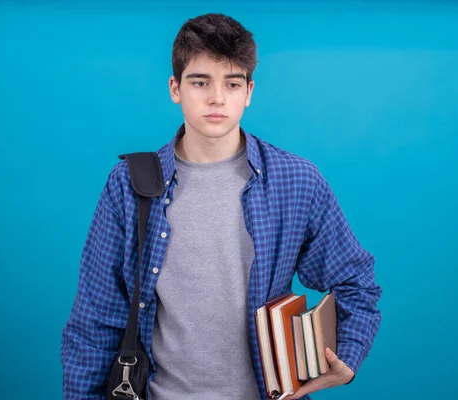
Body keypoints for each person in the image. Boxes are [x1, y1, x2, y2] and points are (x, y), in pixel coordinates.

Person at [61, 12, 382, 400]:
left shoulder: (296, 181)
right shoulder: (129, 185)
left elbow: (357, 283)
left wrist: (346, 357)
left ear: (248, 92)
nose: (216, 98)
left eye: (231, 83)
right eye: (200, 82)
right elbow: (94, 320)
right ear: (175, 88)